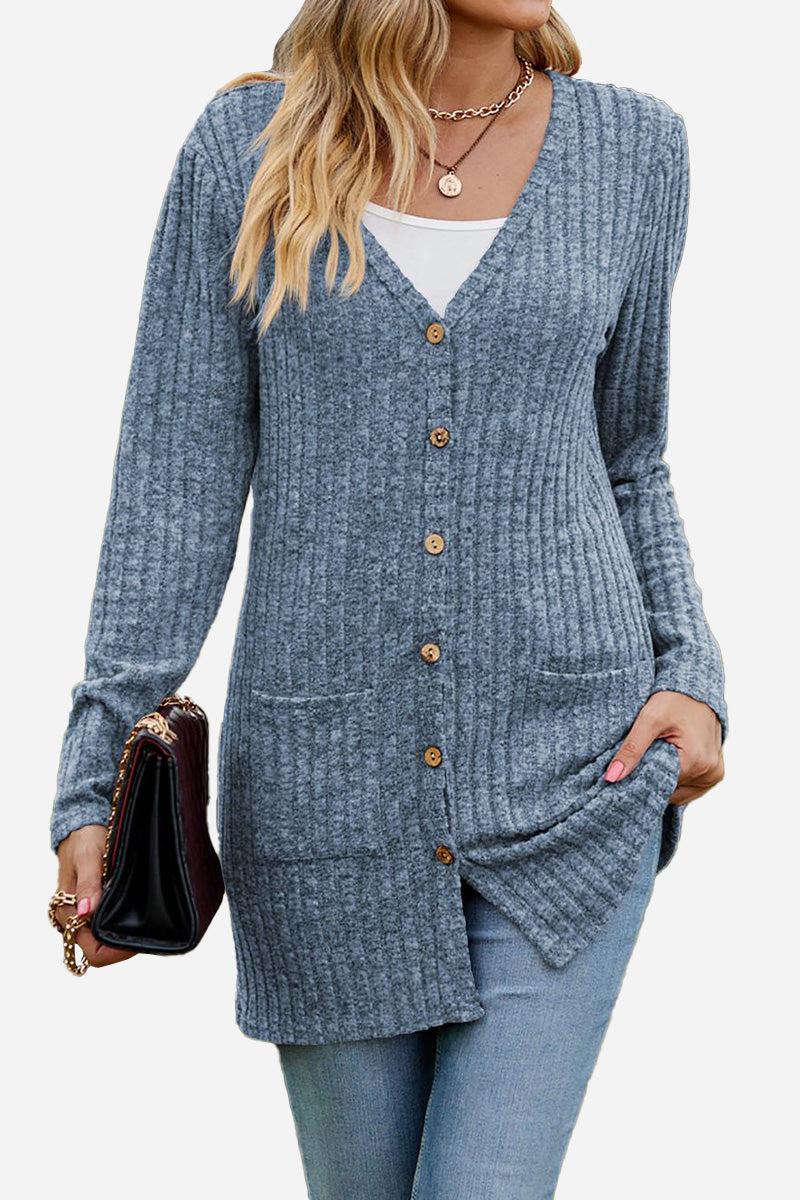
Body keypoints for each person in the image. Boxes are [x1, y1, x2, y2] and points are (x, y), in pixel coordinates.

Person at [48, 2, 727, 1196]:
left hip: (575, 774)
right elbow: (174, 483)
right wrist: (93, 769)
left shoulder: (634, 149)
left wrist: (689, 672)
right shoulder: (248, 151)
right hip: (324, 800)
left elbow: (630, 455)